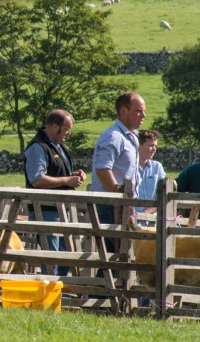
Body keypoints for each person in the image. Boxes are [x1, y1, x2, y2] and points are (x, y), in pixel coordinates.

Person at [22, 109, 85, 275]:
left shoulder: (56, 146)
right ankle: (49, 298)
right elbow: (37, 180)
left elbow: (55, 173)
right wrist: (67, 180)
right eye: (66, 129)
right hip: (46, 211)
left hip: (60, 210)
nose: (68, 133)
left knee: (65, 257)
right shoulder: (38, 147)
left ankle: (56, 294)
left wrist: (72, 175)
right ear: (54, 127)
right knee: (51, 260)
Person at [91, 92, 145, 251]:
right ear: (123, 111)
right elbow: (102, 168)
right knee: (114, 255)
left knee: (120, 254)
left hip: (121, 205)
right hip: (111, 206)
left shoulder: (130, 137)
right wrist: (119, 197)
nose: (143, 115)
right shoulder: (113, 136)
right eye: (139, 111)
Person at [134, 129, 165, 221]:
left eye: (155, 146)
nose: (154, 149)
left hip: (153, 222)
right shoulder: (129, 168)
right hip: (131, 220)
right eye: (151, 146)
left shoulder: (157, 167)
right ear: (139, 146)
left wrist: (145, 214)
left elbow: (163, 196)